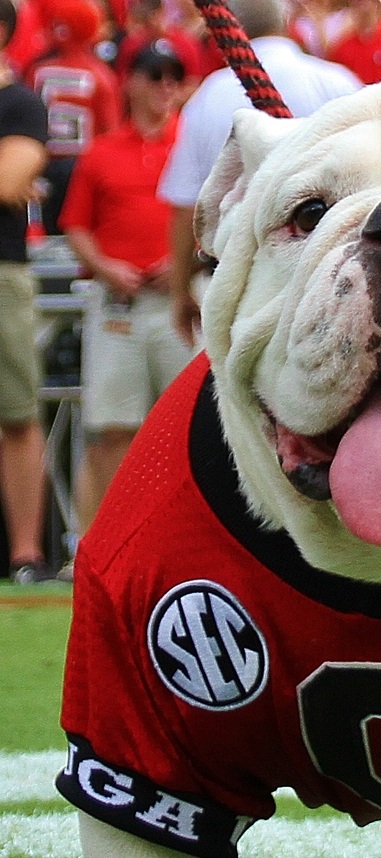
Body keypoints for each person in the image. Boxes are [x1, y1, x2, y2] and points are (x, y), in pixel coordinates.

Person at [157, 0, 361, 347]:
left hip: (240, 284)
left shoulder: (209, 95)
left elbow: (185, 208)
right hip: (333, 278)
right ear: (286, 18)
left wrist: (181, 293)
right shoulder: (337, 83)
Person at [58, 40, 195, 534]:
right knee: (111, 430)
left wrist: (182, 260)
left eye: (175, 75)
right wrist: (105, 265)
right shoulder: (101, 152)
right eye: (155, 74)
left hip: (180, 301)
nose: (166, 85)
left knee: (187, 432)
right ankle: (106, 542)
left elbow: (221, 218)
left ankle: (177, 541)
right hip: (121, 301)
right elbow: (75, 226)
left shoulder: (192, 145)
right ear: (131, 81)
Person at [0, 0, 52, 583]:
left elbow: (11, 180)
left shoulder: (19, 103)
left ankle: (25, 553)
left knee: (16, 411)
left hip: (3, 269)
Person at [25, 0, 122, 233]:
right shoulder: (101, 76)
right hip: (82, 168)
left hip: (42, 166)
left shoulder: (37, 70)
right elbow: (111, 134)